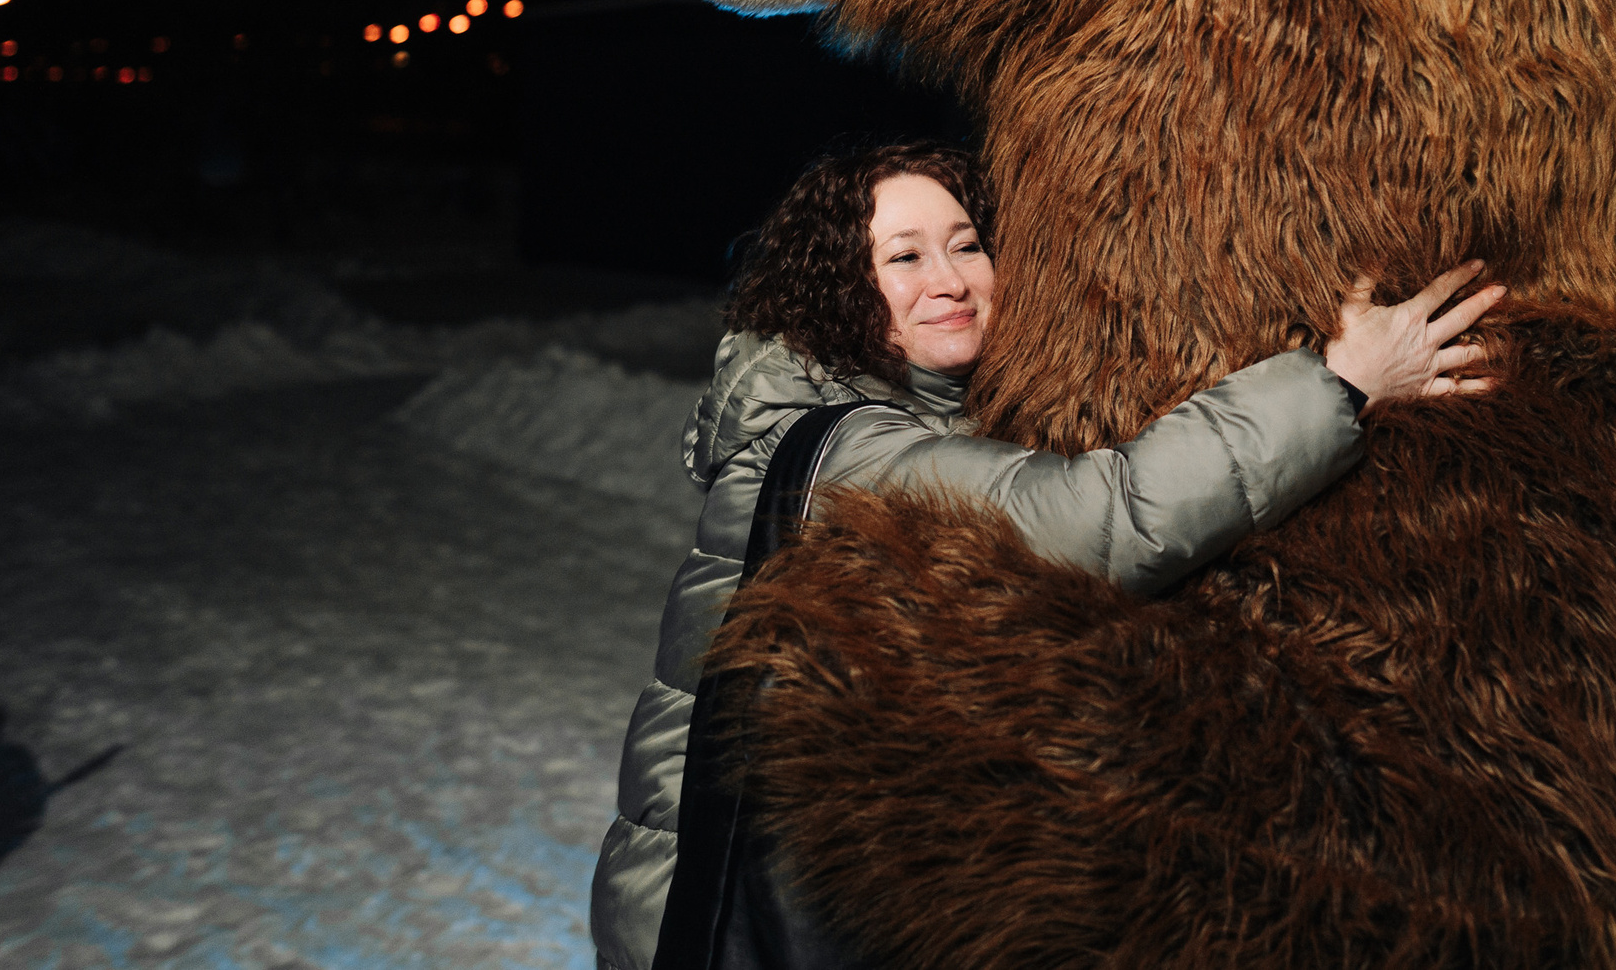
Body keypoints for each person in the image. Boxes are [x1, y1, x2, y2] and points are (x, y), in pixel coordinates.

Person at [591, 141, 1504, 970]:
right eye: (903, 256)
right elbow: (1102, 516)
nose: (948, 277)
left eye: (966, 243)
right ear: (836, 287)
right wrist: (1339, 382)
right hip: (714, 929)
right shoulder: (849, 449)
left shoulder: (863, 421)